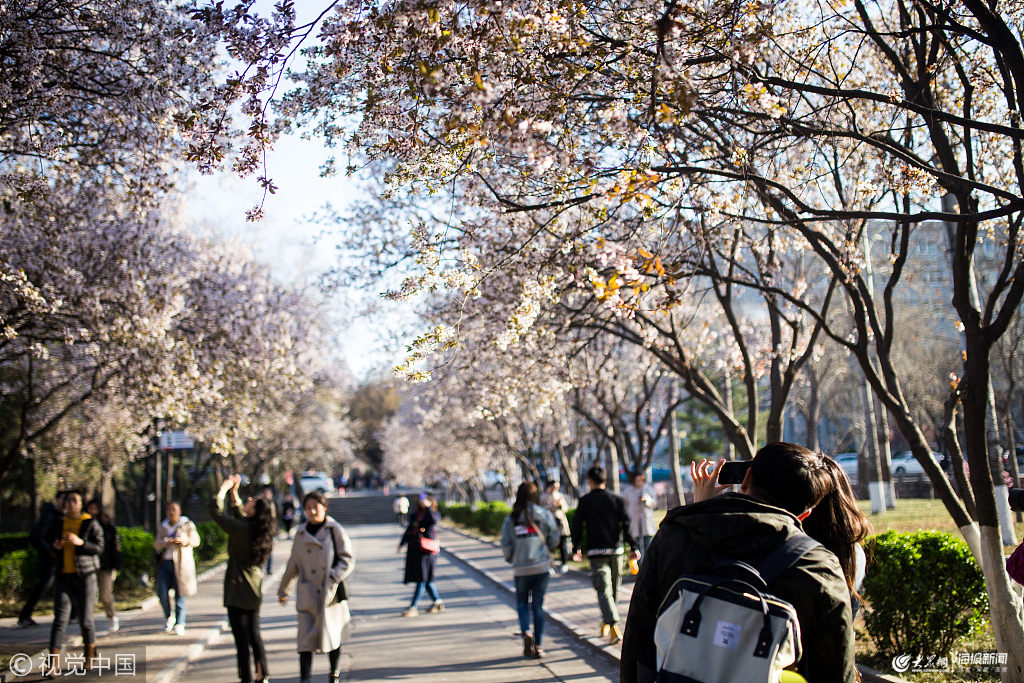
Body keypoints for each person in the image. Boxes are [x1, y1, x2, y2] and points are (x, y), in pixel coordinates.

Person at [620, 443, 860, 683]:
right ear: (804, 515)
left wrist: (700, 509)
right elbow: (836, 670)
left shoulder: (675, 536)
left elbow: (638, 635)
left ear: (747, 479)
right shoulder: (820, 565)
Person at [279, 491, 355, 683]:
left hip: (330, 594)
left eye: (316, 507)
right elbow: (293, 564)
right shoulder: (301, 533)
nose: (312, 511)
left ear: (325, 507)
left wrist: (333, 577)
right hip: (308, 593)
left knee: (332, 636)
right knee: (305, 641)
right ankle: (305, 679)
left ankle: (334, 674)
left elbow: (347, 558)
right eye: (308, 508)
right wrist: (284, 590)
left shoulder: (334, 530)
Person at [211, 475, 276, 683]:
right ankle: (262, 675)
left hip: (237, 588)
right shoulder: (258, 529)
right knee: (255, 635)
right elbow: (239, 513)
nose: (247, 501)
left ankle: (246, 679)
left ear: (255, 511)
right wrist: (234, 493)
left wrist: (223, 489)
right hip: (254, 588)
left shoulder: (242, 529)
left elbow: (216, 513)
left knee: (241, 641)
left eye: (251, 502)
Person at [570, 466, 640, 645]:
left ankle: (611, 624)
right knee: (612, 591)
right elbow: (626, 523)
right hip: (616, 551)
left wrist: (576, 547)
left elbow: (577, 525)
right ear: (605, 480)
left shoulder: (585, 501)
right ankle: (610, 624)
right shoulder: (615, 498)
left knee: (604, 590)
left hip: (596, 553)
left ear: (590, 481)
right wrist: (633, 546)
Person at [43, 490, 104, 675]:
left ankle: (89, 656)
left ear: (81, 503)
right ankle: (52, 664)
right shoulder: (58, 522)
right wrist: (55, 548)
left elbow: (99, 548)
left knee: (85, 619)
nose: (71, 503)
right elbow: (49, 546)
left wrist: (80, 542)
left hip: (85, 576)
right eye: (68, 500)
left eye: (75, 500)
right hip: (63, 576)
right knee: (60, 620)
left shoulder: (90, 522)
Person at [500, 482, 560, 658]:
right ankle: (539, 646)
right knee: (538, 605)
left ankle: (526, 632)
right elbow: (554, 539)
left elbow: (505, 543)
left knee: (521, 603)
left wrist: (512, 558)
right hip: (541, 567)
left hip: (521, 568)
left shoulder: (512, 518)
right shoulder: (544, 514)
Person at [18, 491, 66, 628]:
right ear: (57, 500)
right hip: (50, 559)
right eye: (63, 499)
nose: (67, 502)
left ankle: (73, 613)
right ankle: (24, 616)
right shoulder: (49, 516)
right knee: (43, 587)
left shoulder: (63, 517)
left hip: (61, 558)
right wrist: (50, 551)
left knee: (65, 585)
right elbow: (36, 537)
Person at [153, 500, 200, 636]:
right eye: (169, 509)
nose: (171, 512)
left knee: (180, 595)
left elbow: (196, 541)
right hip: (165, 563)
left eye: (174, 509)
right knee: (162, 593)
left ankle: (180, 623)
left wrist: (183, 540)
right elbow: (156, 543)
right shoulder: (163, 525)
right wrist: (165, 542)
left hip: (181, 564)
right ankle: (169, 617)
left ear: (180, 511)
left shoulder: (187, 524)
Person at [398, 493, 443, 616]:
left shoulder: (433, 514)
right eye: (421, 500)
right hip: (416, 550)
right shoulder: (415, 515)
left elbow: (433, 520)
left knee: (422, 579)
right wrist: (402, 543)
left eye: (426, 500)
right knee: (426, 580)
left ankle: (413, 607)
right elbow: (409, 530)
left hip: (427, 552)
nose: (422, 502)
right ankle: (437, 602)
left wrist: (428, 507)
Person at [85, 499, 122, 634]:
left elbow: (116, 547)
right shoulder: (83, 524)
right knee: (89, 596)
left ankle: (112, 616)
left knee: (105, 594)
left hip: (106, 566)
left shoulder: (108, 526)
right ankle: (87, 623)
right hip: (89, 565)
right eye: (90, 508)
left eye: (95, 508)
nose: (93, 511)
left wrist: (117, 564)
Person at [540, 481, 572, 574]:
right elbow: (541, 509)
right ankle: (550, 565)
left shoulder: (560, 496)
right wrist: (552, 506)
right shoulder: (544, 497)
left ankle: (564, 563)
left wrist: (561, 505)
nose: (556, 488)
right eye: (554, 486)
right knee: (549, 546)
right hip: (550, 523)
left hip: (561, 523)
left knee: (562, 545)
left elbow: (566, 508)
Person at [623, 472, 657, 557]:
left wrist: (646, 500)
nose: (638, 482)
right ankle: (639, 563)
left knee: (647, 545)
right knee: (637, 545)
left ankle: (647, 562)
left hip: (646, 520)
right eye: (637, 480)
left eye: (640, 480)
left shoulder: (648, 489)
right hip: (634, 519)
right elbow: (625, 504)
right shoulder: (628, 491)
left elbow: (655, 503)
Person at [260, 488, 278, 575]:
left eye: (268, 493)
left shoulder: (273, 503)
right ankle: (260, 568)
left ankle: (269, 568)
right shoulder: (261, 504)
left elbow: (277, 516)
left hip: (270, 530)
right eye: (265, 493)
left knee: (269, 550)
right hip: (261, 529)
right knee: (260, 549)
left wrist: (275, 529)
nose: (266, 494)